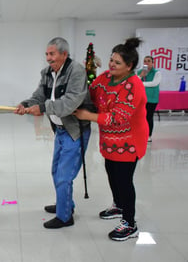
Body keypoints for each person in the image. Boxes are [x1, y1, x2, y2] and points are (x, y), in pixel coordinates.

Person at [73, 37, 149, 241]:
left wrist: (87, 116)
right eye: (111, 60)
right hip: (109, 141)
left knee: (124, 181)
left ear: (129, 66)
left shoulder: (134, 85)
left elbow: (118, 117)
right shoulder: (106, 77)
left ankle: (130, 223)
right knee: (112, 175)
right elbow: (91, 92)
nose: (111, 65)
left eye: (117, 63)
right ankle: (119, 205)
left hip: (129, 142)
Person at [14, 37, 92, 229]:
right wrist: (26, 104)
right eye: (47, 54)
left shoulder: (76, 71)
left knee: (64, 176)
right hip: (59, 130)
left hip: (75, 131)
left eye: (52, 54)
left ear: (64, 54)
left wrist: (42, 107)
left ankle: (65, 217)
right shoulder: (48, 73)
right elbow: (40, 95)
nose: (48, 58)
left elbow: (70, 102)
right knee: (56, 171)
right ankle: (65, 204)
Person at [137, 56, 161, 142]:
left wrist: (141, 83)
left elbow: (154, 83)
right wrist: (141, 76)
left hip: (152, 99)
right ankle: (141, 134)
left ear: (152, 63)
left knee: (148, 117)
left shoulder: (157, 72)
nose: (146, 63)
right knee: (140, 117)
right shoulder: (140, 72)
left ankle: (148, 135)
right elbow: (135, 82)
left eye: (148, 61)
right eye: (145, 61)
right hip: (141, 99)